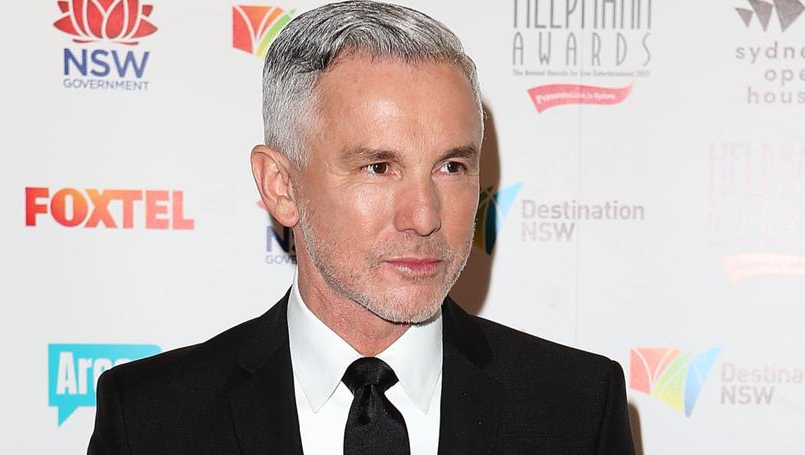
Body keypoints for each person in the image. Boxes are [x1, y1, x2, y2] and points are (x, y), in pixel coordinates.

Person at [87, 1, 636, 454]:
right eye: (378, 167)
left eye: (452, 167)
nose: (425, 217)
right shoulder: (150, 419)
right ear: (280, 186)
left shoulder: (578, 409)